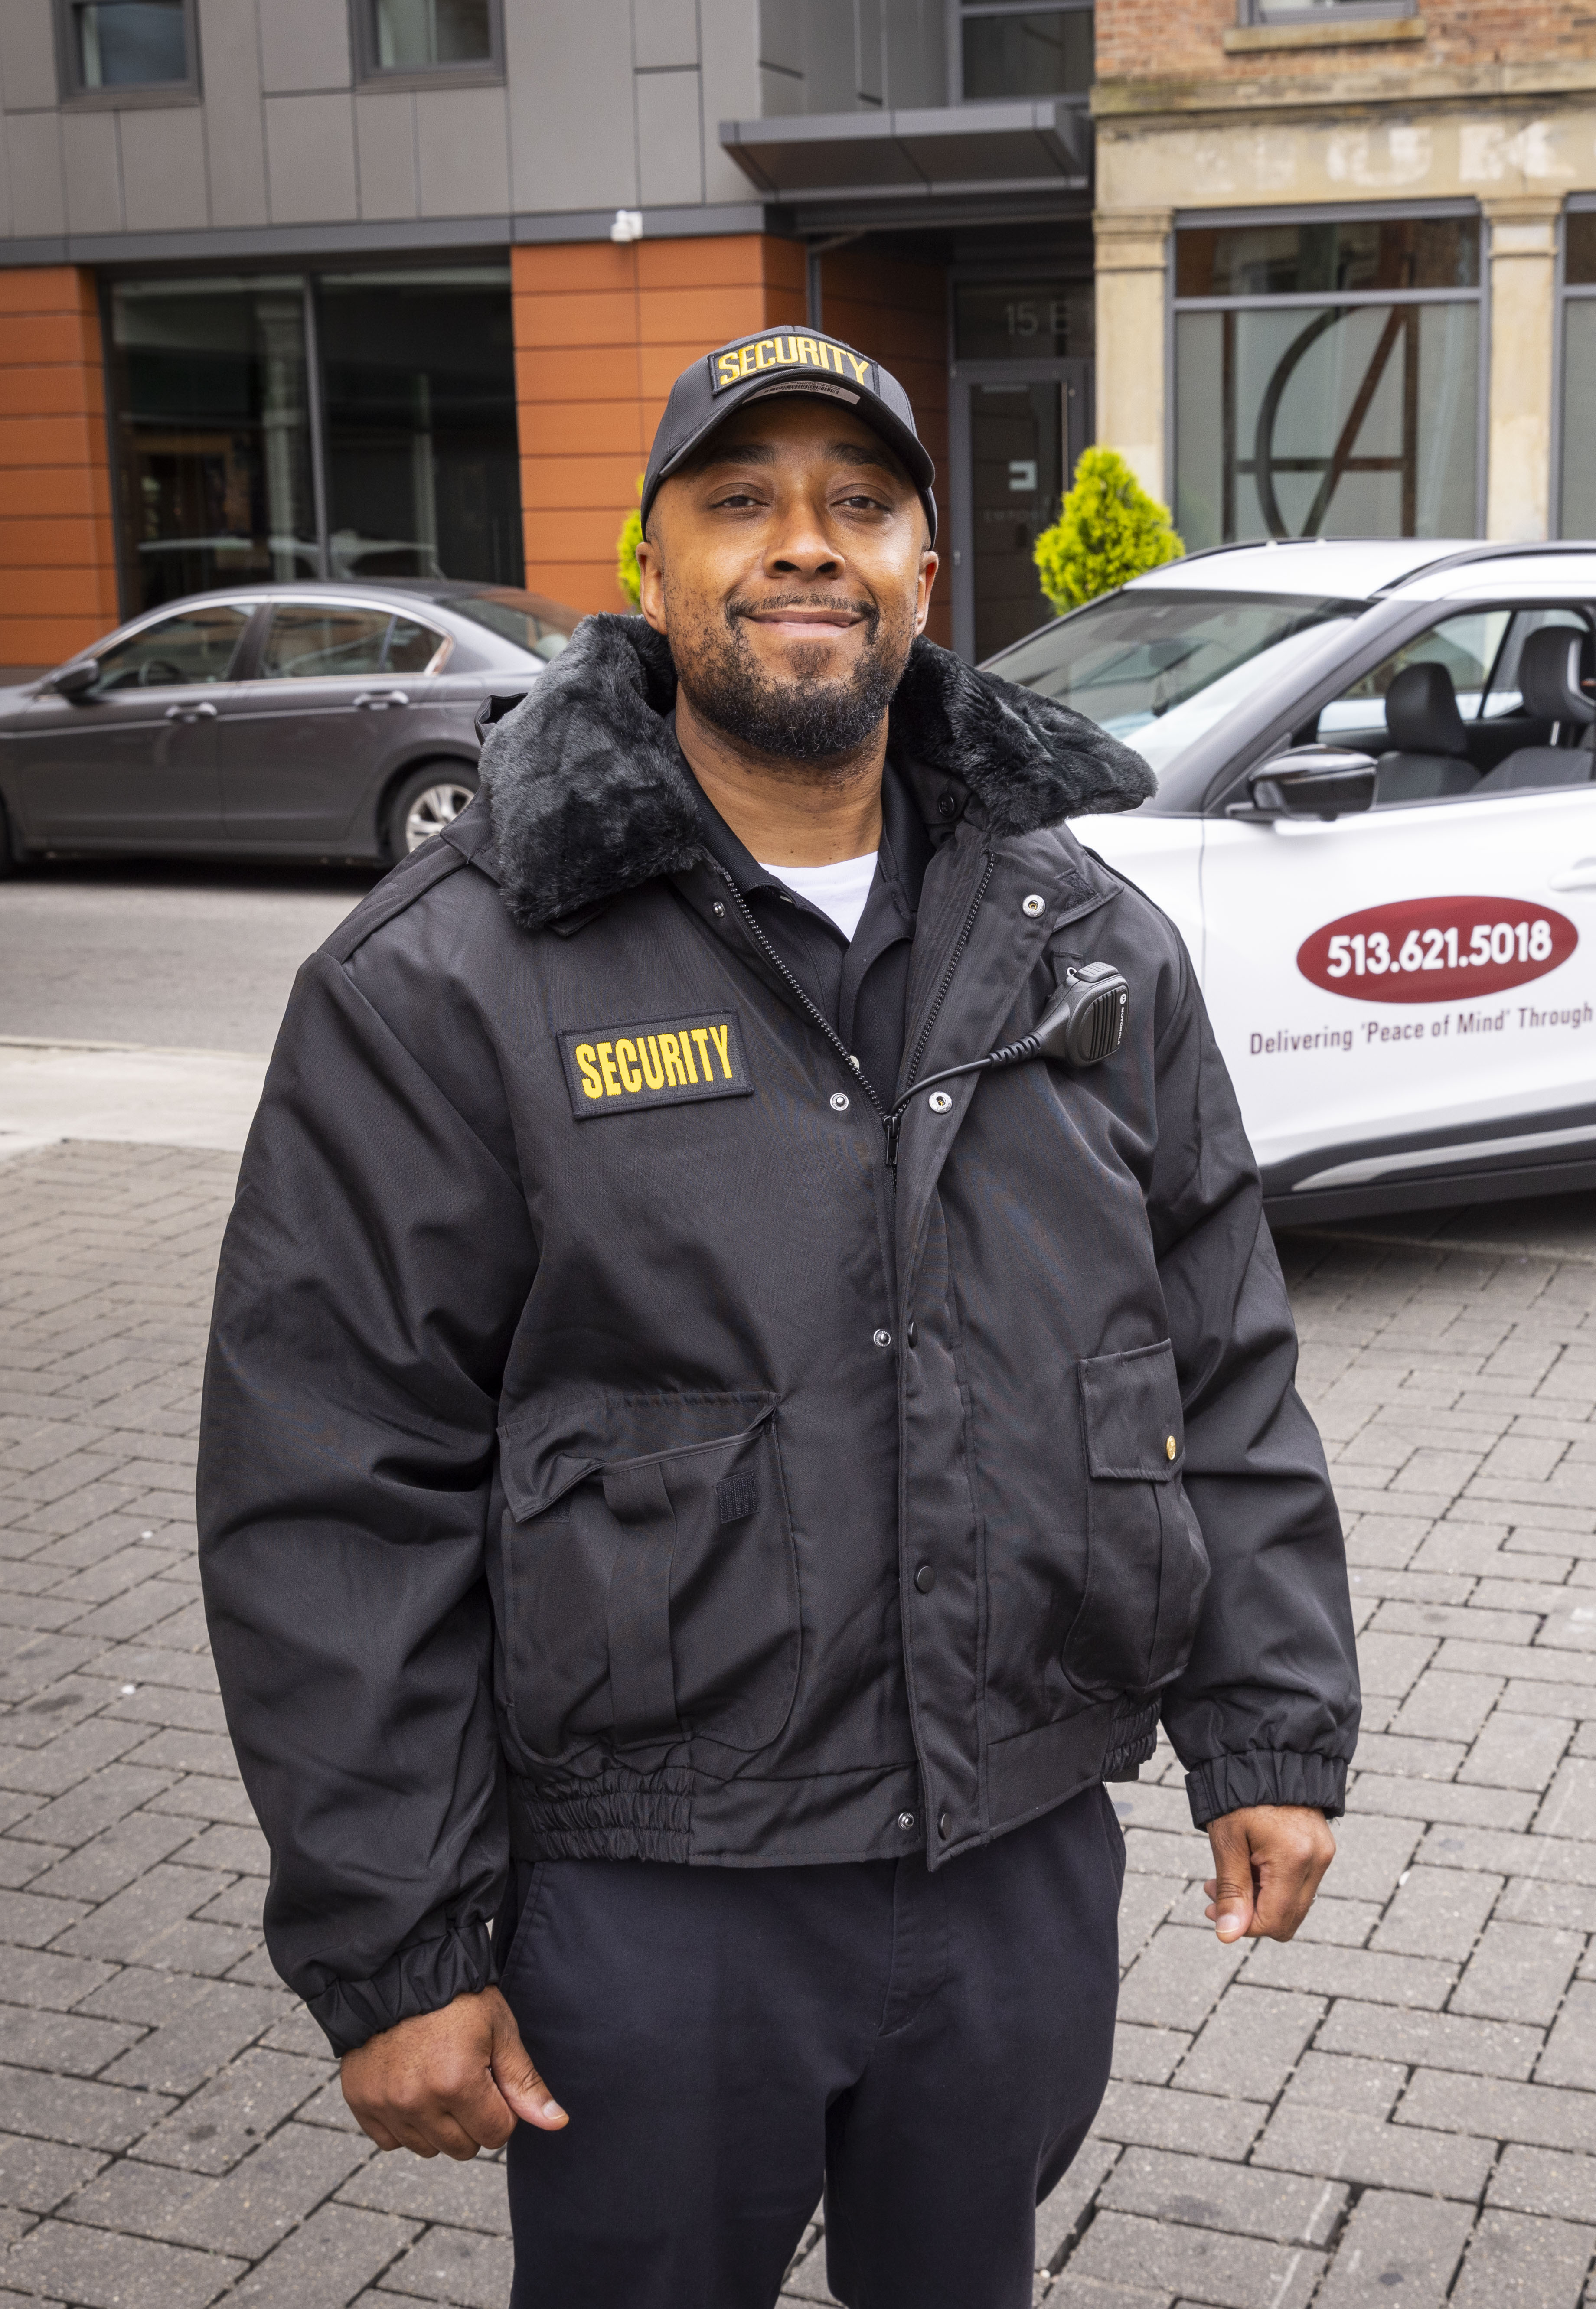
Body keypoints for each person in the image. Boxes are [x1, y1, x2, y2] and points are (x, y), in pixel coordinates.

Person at [196, 323, 1359, 2309]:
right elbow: (334, 1473)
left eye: (858, 505)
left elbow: (1212, 1339)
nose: (801, 546)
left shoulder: (1083, 941)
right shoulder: (451, 978)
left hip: (1010, 1861)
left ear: (927, 571)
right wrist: (401, 1945)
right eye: (740, 502)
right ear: (646, 570)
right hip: (655, 1900)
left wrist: (1264, 1715)